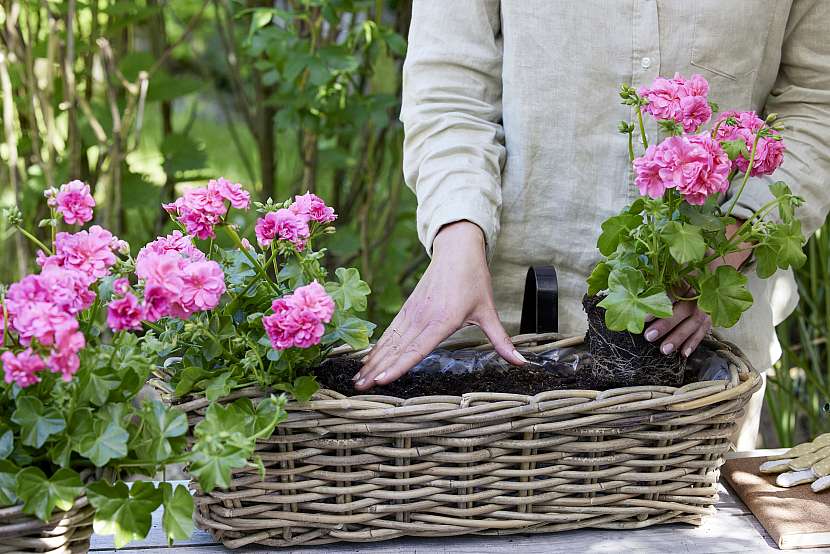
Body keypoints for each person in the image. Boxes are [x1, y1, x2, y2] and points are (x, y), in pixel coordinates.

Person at [354, 1, 830, 449]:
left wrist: (717, 254)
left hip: (698, 355)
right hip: (504, 335)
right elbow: (450, 90)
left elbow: (818, 100)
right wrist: (456, 237)